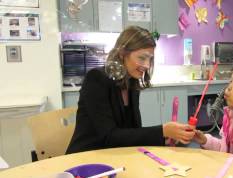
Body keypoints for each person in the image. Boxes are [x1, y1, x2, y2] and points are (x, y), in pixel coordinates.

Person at [66, 26, 195, 154]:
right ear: (122, 54)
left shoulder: (132, 83)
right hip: (85, 159)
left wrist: (165, 138)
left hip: (115, 156)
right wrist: (162, 131)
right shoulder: (96, 79)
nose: (147, 65)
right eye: (142, 58)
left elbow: (132, 133)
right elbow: (108, 137)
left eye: (150, 59)